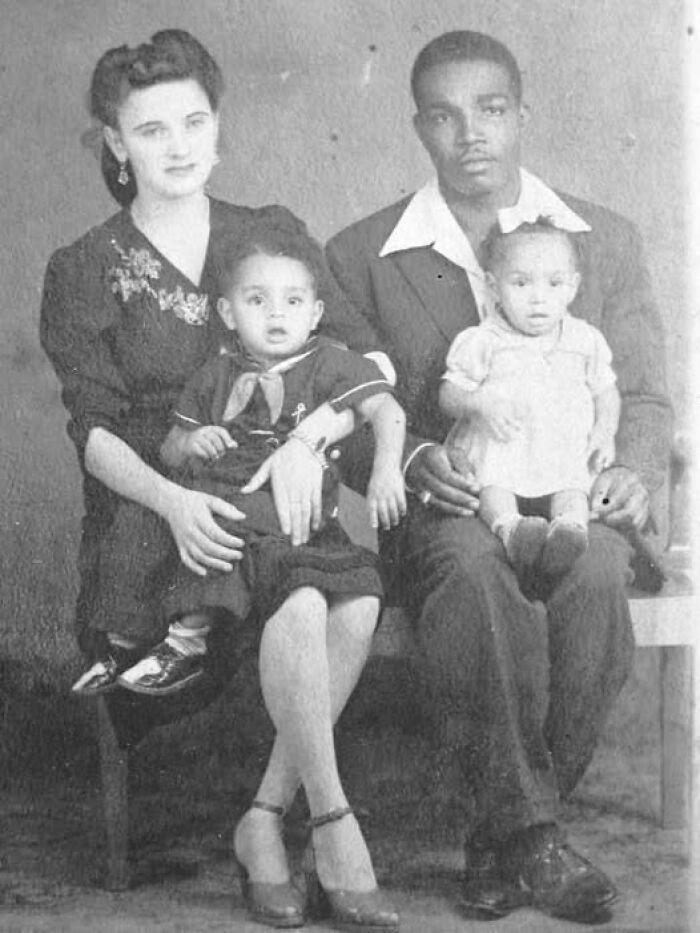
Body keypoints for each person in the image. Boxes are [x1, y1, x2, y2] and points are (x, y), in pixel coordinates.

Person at [40, 29, 399, 930]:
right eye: (151, 129)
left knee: (352, 603)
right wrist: (172, 498)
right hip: (158, 519)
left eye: (194, 121)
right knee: (312, 604)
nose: (179, 146)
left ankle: (260, 819)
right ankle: (331, 820)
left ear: (217, 124)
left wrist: (318, 430)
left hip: (289, 502)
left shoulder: (268, 233)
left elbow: (370, 361)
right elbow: (93, 431)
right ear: (115, 143)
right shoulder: (85, 267)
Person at [323, 30, 671, 924]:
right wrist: (406, 458)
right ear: (418, 128)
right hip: (452, 509)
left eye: (489, 109)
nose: (469, 134)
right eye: (443, 115)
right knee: (474, 569)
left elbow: (640, 392)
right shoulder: (364, 253)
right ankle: (535, 841)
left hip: (568, 494)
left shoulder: (607, 239)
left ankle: (503, 834)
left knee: (595, 567)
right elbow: (344, 408)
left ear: (522, 115)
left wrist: (630, 470)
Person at [74, 224, 406, 698]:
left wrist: (386, 468)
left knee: (230, 522)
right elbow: (171, 446)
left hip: (284, 507)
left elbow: (386, 408)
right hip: (213, 494)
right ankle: (122, 643)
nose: (276, 313)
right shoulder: (216, 373)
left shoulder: (330, 364)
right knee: (137, 522)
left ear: (316, 314)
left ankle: (186, 643)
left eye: (293, 302)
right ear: (228, 313)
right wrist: (192, 442)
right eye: (257, 300)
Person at [440, 218, 620, 586]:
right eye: (521, 283)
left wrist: (604, 431)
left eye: (554, 283)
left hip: (562, 445)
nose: (538, 298)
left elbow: (606, 392)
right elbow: (449, 393)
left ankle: (568, 532)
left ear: (572, 287)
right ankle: (512, 530)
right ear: (494, 287)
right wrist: (478, 404)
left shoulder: (584, 339)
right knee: (494, 483)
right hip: (506, 442)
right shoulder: (483, 339)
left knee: (574, 486)